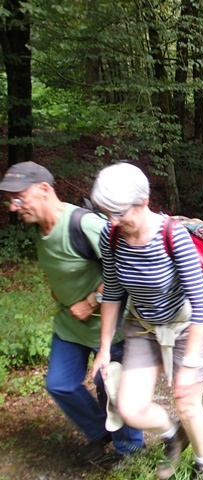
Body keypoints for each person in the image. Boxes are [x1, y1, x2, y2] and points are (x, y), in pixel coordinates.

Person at [0, 162, 144, 464]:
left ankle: (130, 451)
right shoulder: (41, 229)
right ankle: (100, 430)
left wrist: (92, 299)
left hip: (107, 323)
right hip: (68, 324)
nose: (13, 207)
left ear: (43, 189)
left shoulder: (84, 223)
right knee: (59, 384)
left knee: (111, 387)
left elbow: (124, 265)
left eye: (18, 197)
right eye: (9, 200)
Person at [90, 163, 203, 480]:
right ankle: (173, 435)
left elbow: (198, 302)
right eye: (106, 212)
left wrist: (190, 364)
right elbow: (111, 293)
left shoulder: (173, 236)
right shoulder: (111, 237)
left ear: (143, 202)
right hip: (144, 325)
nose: (112, 220)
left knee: (186, 400)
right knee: (130, 408)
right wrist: (105, 348)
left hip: (188, 322)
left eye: (118, 212)